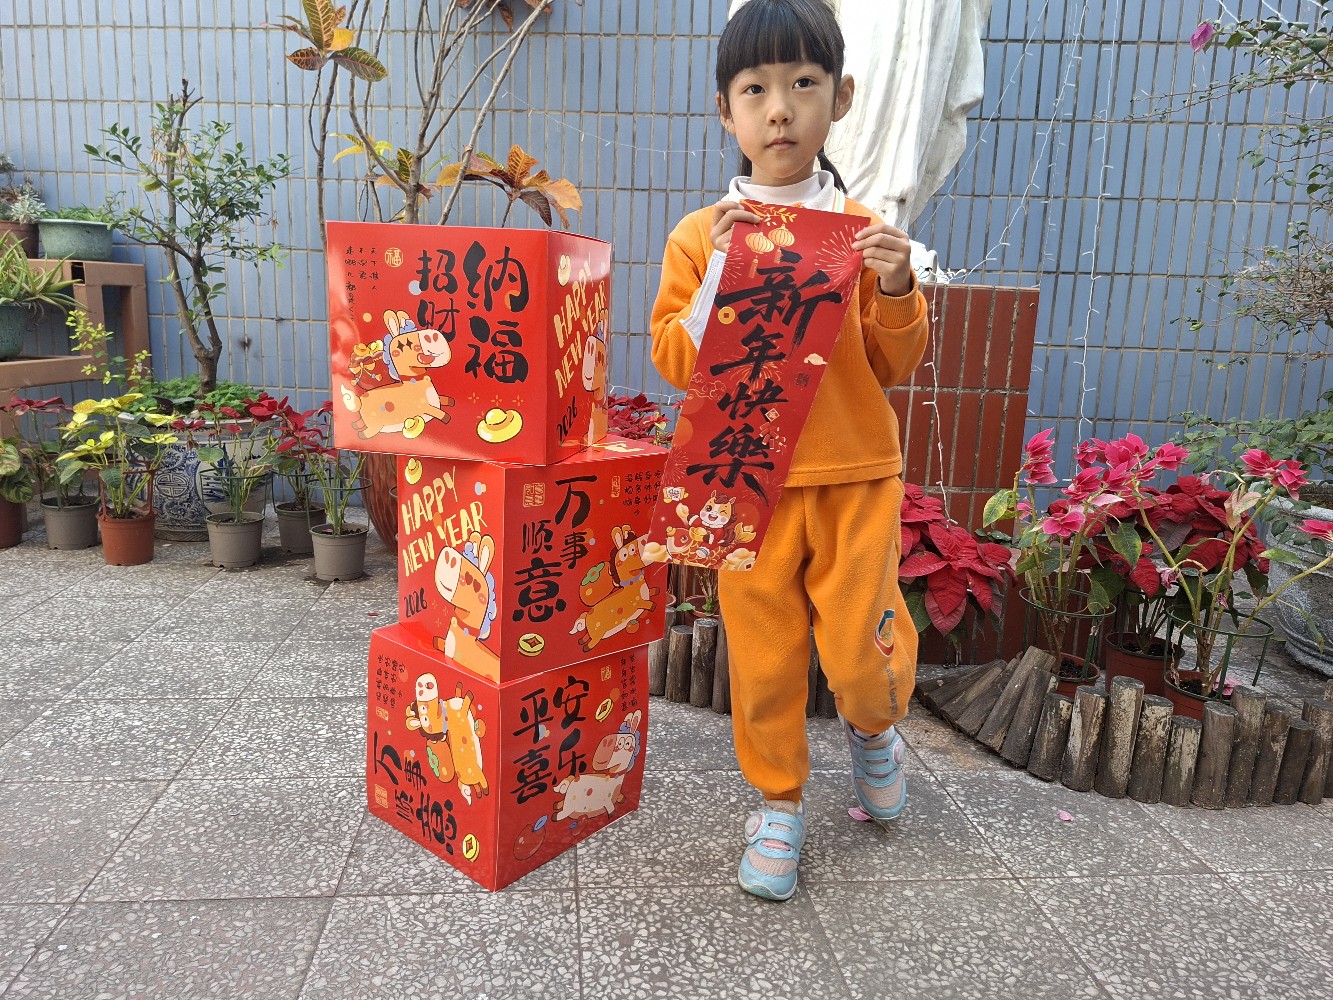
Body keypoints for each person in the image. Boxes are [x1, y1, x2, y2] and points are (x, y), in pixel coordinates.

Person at [649, 0, 930, 902]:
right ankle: (777, 804)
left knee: (859, 655)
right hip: (745, 482)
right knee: (764, 660)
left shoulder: (861, 230)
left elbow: (891, 363)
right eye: (755, 89)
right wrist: (716, 280)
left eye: (804, 83)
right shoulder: (701, 235)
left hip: (853, 474)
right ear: (725, 111)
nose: (780, 109)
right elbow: (674, 359)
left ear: (839, 98)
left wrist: (898, 286)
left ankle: (873, 728)